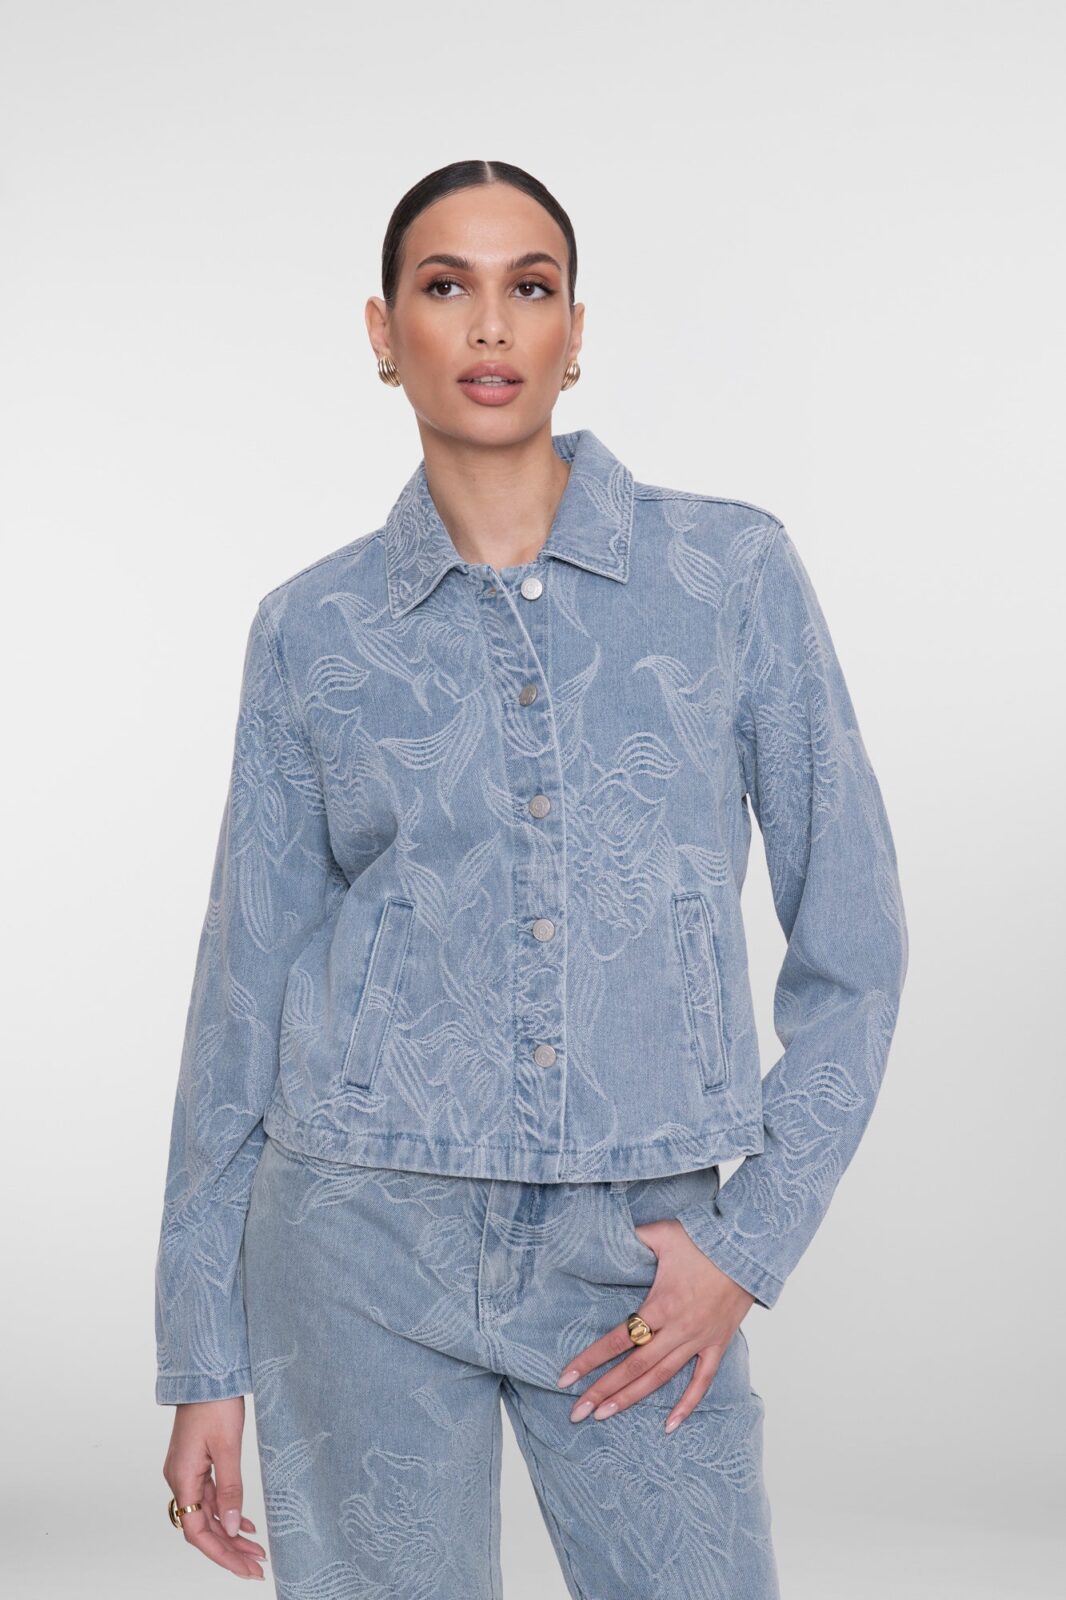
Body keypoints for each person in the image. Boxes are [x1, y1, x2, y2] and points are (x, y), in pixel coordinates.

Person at [155, 159, 908, 1596]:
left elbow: (856, 948)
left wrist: (748, 1244)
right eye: (447, 287)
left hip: (638, 1248)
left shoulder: (728, 575)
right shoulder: (312, 630)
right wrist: (202, 1355)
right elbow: (241, 992)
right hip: (354, 1241)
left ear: (574, 332)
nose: (491, 325)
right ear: (384, 333)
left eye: (531, 286)